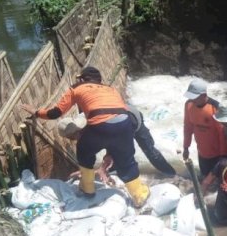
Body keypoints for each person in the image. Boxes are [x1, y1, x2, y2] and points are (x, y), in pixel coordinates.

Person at [20, 66, 150, 208]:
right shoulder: (111, 89)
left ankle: (88, 189)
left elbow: (56, 113)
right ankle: (139, 195)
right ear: (98, 81)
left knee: (84, 150)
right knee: (126, 161)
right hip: (125, 124)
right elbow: (115, 118)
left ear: (82, 79)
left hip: (100, 125)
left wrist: (37, 112)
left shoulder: (77, 89)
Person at [182, 78, 227, 178]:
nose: (192, 100)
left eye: (195, 97)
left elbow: (222, 135)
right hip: (202, 153)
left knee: (218, 182)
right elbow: (188, 128)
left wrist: (223, 156)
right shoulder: (188, 105)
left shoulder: (215, 107)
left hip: (217, 155)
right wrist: (186, 147)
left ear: (203, 95)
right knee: (204, 178)